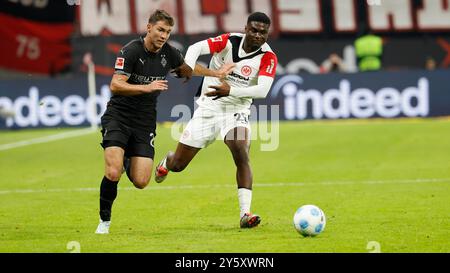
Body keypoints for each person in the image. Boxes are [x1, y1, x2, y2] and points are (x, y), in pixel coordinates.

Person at [95, 10, 234, 234]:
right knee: (112, 172)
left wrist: (216, 73)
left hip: (144, 121)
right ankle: (104, 222)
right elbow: (116, 84)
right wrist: (146, 87)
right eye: (160, 30)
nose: (164, 35)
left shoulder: (169, 53)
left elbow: (186, 69)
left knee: (141, 182)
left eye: (168, 32)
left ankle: (127, 161)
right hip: (119, 116)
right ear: (149, 27)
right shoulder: (130, 51)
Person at [154, 12, 278, 229]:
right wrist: (188, 68)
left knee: (241, 150)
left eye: (263, 32)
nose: (258, 35)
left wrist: (231, 90)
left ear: (267, 33)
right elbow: (194, 48)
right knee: (179, 165)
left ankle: (245, 213)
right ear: (246, 28)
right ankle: (168, 161)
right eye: (254, 30)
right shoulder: (228, 41)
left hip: (237, 109)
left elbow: (263, 90)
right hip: (209, 107)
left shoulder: (268, 57)